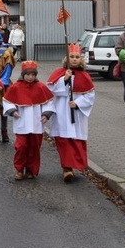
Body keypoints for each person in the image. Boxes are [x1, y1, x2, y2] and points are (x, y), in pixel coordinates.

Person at [47, 44, 95, 183]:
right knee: (63, 140)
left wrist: (78, 103)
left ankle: (75, 165)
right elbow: (51, 90)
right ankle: (67, 168)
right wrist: (65, 79)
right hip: (62, 111)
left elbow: (90, 95)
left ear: (81, 59)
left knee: (76, 139)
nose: (74, 60)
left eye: (77, 57)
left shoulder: (85, 76)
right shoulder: (59, 73)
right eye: (72, 57)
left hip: (77, 113)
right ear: (67, 58)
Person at [3, 61, 55, 180]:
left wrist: (46, 114)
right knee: (21, 147)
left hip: (37, 123)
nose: (30, 77)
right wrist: (12, 110)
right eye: (28, 74)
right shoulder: (15, 87)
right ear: (23, 74)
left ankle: (31, 170)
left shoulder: (41, 87)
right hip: (22, 122)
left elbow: (49, 103)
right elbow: (7, 101)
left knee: (34, 148)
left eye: (33, 75)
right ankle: (19, 169)